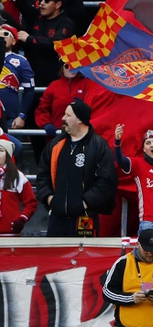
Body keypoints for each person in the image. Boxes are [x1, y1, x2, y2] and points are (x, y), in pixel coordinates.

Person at [38, 98, 117, 236]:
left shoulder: (99, 145)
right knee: (55, 257)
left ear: (80, 119)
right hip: (57, 217)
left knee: (83, 256)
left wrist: (85, 203)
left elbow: (107, 180)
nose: (63, 118)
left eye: (68, 115)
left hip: (85, 217)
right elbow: (42, 175)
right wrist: (50, 199)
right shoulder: (55, 144)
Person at [114, 123, 153, 235]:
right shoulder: (138, 164)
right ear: (144, 149)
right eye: (148, 143)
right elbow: (120, 161)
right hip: (149, 221)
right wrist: (117, 142)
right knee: (149, 252)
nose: (152, 145)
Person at [16, 0, 74, 86]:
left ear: (58, 4)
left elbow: (56, 44)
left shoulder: (65, 23)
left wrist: (29, 39)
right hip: (32, 73)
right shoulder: (37, 16)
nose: (41, 3)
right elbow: (22, 4)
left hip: (53, 76)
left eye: (46, 1)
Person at [34, 64, 92, 141]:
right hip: (57, 134)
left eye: (75, 65)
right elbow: (42, 109)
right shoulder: (53, 86)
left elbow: (96, 108)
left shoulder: (88, 84)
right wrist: (46, 123)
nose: (71, 68)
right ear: (61, 68)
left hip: (82, 134)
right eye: (67, 66)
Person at [0, 23, 32, 131]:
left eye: (5, 34)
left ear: (14, 41)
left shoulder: (21, 61)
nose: (1, 36)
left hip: (9, 117)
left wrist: (22, 116)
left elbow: (30, 91)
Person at [0, 138, 35, 234]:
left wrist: (22, 219)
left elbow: (31, 203)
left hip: (10, 234)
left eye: (1, 150)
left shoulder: (17, 176)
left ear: (8, 155)